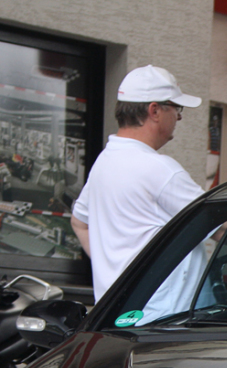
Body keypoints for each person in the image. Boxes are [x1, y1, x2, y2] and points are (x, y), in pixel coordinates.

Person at [72, 65, 204, 301]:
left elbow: (80, 223)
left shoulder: (104, 163)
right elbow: (221, 226)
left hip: (115, 311)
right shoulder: (160, 170)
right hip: (163, 320)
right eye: (176, 107)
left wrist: (116, 274)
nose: (180, 116)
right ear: (155, 111)